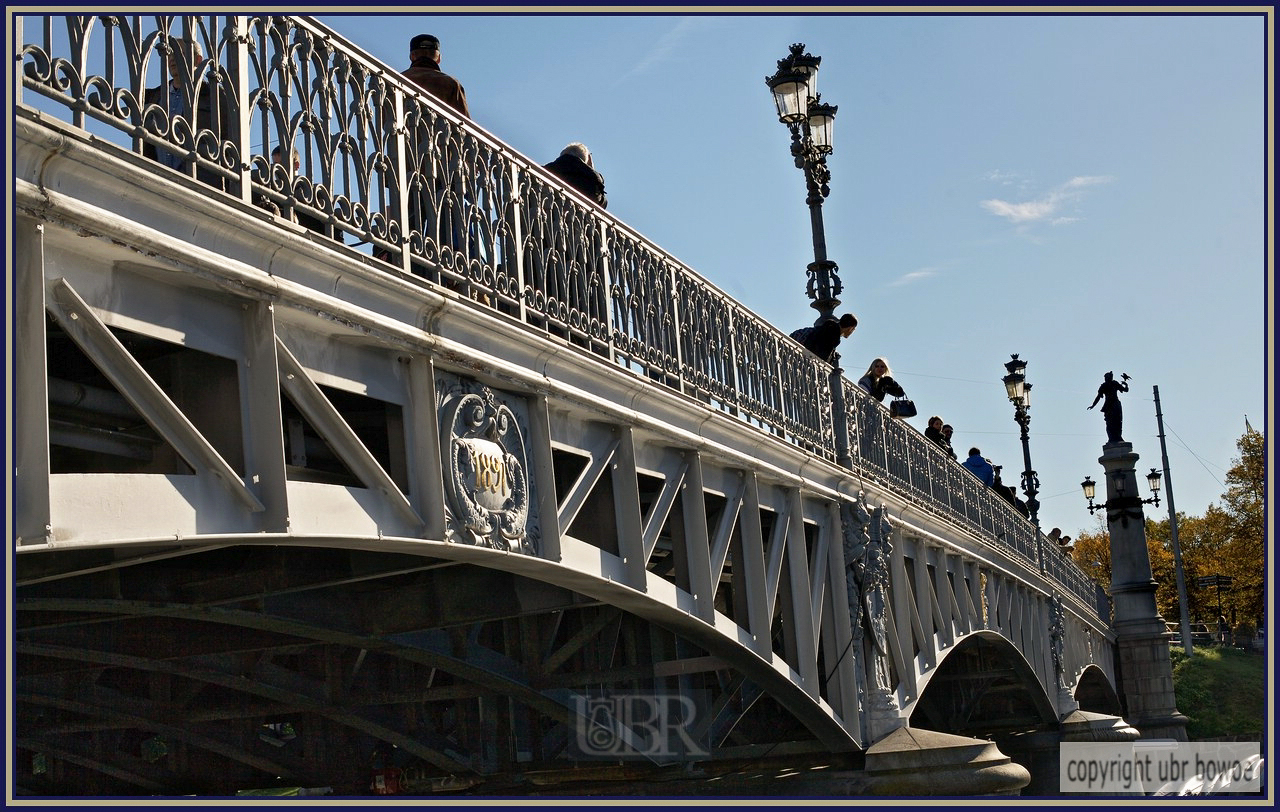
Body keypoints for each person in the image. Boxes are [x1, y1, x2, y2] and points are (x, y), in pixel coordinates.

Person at [143, 39, 230, 190]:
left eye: (180, 53)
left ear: (198, 60)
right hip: (158, 180)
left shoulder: (215, 95)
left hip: (199, 182)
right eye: (170, 53)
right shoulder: (154, 96)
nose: (172, 58)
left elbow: (228, 142)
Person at [403, 34, 469, 117]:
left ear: (412, 56)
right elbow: (463, 122)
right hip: (440, 129)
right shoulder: (451, 83)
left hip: (400, 129)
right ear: (439, 59)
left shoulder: (398, 79)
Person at [543, 142, 608, 208]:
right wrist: (591, 171)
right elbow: (600, 204)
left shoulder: (545, 170)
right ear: (585, 162)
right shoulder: (591, 181)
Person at [791, 313, 858, 365]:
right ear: (850, 328)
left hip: (796, 340)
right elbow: (821, 356)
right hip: (798, 348)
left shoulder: (829, 329)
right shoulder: (832, 335)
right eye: (853, 329)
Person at [1088, 371, 1130, 445]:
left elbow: (1125, 390)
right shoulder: (1104, 386)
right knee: (1109, 422)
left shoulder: (1114, 383)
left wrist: (1126, 385)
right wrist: (1093, 405)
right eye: (1105, 377)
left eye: (1106, 377)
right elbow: (1098, 396)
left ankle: (1118, 437)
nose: (1105, 379)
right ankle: (1111, 438)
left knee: (1118, 422)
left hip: (1115, 404)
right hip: (1109, 406)